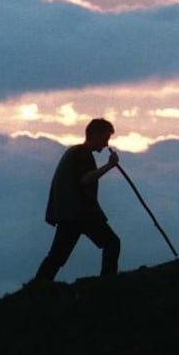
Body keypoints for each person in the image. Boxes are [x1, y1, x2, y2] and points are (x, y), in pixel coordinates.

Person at [33, 118, 122, 282]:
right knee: (112, 243)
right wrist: (110, 166)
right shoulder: (82, 153)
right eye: (105, 138)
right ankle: (109, 283)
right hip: (81, 214)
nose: (106, 144)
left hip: (69, 214)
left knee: (57, 256)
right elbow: (85, 179)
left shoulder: (75, 152)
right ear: (94, 135)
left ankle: (37, 287)